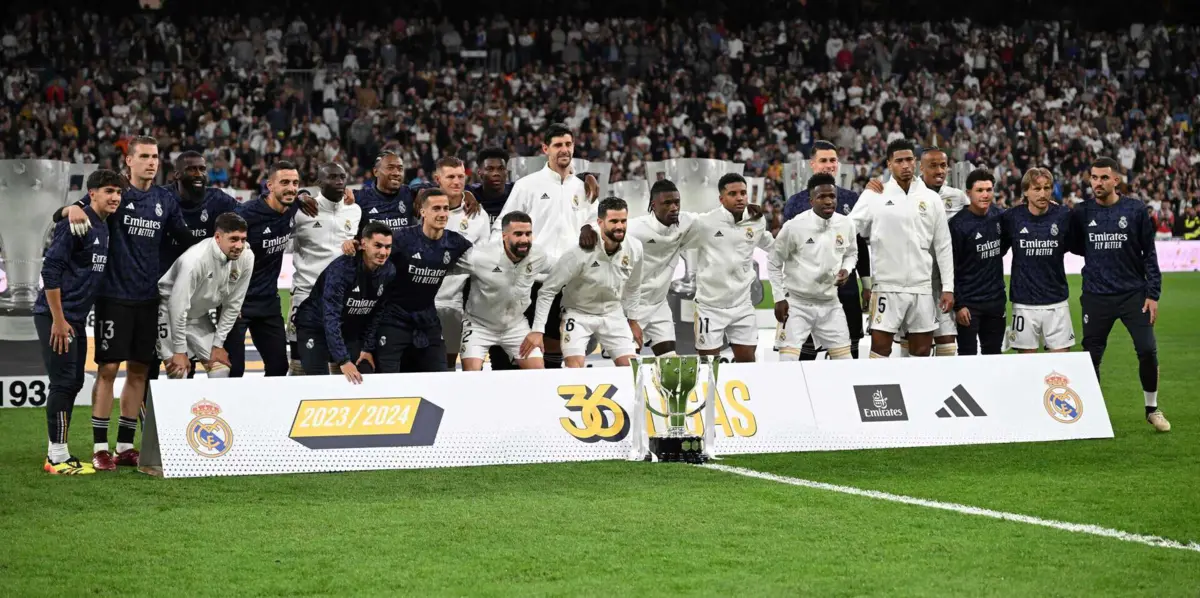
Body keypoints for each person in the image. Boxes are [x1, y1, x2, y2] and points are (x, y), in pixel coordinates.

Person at [55, 136, 195, 470]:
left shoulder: (165, 199)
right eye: (144, 156)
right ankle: (101, 447)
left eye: (156, 157)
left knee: (139, 372)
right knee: (107, 370)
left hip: (149, 299)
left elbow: (186, 237)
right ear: (128, 161)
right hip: (113, 297)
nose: (151, 162)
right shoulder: (116, 194)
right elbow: (67, 215)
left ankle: (125, 445)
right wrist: (69, 208)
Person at [34, 169, 122, 474]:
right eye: (108, 191)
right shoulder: (78, 223)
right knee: (62, 382)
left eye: (118, 193)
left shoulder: (102, 222)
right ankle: (56, 456)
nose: (115, 198)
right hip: (57, 316)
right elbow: (50, 271)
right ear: (92, 194)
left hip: (75, 318)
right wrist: (58, 319)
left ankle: (58, 450)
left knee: (74, 381)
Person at [1071, 157, 1168, 432]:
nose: (1098, 183)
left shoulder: (1135, 210)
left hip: (1133, 295)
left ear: (1116, 180)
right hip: (1096, 295)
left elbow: (1149, 253)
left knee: (1147, 349)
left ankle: (1152, 408)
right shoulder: (1082, 212)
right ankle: (1091, 414)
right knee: (1091, 355)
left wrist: (1153, 294)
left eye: (1104, 178)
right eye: (1094, 177)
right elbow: (1077, 245)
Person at [495, 123, 597, 369]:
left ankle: (548, 399)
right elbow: (502, 224)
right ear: (545, 149)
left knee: (555, 344)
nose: (564, 150)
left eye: (568, 144)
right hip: (532, 280)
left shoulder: (583, 188)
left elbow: (595, 220)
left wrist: (589, 228)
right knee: (523, 347)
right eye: (558, 145)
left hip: (568, 282)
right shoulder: (528, 185)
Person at [849, 139, 954, 359]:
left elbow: (943, 245)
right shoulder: (875, 194)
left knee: (922, 350)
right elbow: (850, 229)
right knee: (880, 349)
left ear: (915, 162)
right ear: (889, 165)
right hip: (887, 286)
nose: (905, 165)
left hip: (922, 287)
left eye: (909, 160)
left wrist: (948, 287)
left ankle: (916, 393)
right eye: (899, 161)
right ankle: (877, 392)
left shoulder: (931, 199)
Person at [523, 197, 644, 368]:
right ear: (600, 222)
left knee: (631, 369)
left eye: (623, 221)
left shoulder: (635, 248)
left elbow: (634, 286)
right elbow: (548, 290)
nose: (619, 227)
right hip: (578, 314)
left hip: (612, 313)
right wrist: (537, 329)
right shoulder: (578, 253)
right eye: (613, 221)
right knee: (575, 369)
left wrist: (633, 320)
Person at [781, 140, 871, 359]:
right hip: (807, 292)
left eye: (832, 160)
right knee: (806, 353)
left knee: (849, 348)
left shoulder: (851, 199)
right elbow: (786, 249)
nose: (828, 165)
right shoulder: (795, 202)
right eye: (823, 160)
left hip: (846, 287)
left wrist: (866, 284)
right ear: (813, 164)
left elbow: (857, 246)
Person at [374, 190, 473, 373]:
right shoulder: (402, 239)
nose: (442, 213)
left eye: (445, 208)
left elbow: (481, 263)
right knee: (388, 381)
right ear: (422, 211)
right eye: (436, 208)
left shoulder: (455, 242)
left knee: (440, 377)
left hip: (427, 320)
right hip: (393, 319)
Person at [680, 173, 773, 363]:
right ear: (721, 199)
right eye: (733, 194)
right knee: (708, 365)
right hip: (709, 306)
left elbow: (771, 245)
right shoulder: (705, 223)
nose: (740, 197)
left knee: (748, 360)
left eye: (743, 193)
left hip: (742, 305)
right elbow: (677, 233)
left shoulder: (756, 220)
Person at [768, 173, 858, 361]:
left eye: (832, 196)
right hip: (797, 304)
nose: (828, 201)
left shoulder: (846, 224)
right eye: (821, 197)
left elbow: (851, 253)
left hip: (830, 304)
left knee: (846, 362)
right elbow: (774, 262)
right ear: (811, 201)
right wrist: (779, 297)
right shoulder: (794, 227)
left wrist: (847, 270)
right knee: (787, 364)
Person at [226, 160, 303, 378]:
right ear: (270, 185)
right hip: (238, 302)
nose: (291, 188)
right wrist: (226, 297)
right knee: (234, 370)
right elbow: (221, 254)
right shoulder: (247, 215)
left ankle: (266, 411)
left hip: (269, 301)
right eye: (285, 182)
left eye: (295, 183)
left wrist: (304, 194)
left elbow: (304, 196)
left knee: (279, 367)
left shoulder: (292, 207)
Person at [156, 213, 255, 380]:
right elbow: (177, 307)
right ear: (218, 237)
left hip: (198, 317)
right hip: (168, 314)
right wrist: (180, 351)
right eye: (233, 239)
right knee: (178, 372)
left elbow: (234, 304)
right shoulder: (195, 261)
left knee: (221, 369)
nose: (239, 245)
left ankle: (210, 407)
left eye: (243, 239)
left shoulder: (247, 257)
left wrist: (218, 344)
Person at [295, 222, 395, 383]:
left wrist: (367, 348)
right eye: (377, 245)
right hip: (315, 326)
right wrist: (343, 360)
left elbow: (377, 313)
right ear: (363, 244)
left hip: (349, 331)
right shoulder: (342, 270)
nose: (383, 252)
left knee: (364, 375)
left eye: (388, 247)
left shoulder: (389, 271)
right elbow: (330, 316)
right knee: (318, 382)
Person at [288, 163, 361, 375]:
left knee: (341, 363)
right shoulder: (302, 211)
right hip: (305, 296)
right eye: (332, 177)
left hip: (341, 298)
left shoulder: (355, 210)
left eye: (342, 176)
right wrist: (299, 197)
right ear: (319, 183)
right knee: (299, 365)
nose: (339, 181)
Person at [457, 211, 549, 370]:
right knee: (470, 375)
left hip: (516, 325)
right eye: (518, 234)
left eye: (528, 234)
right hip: (478, 325)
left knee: (538, 371)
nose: (524, 240)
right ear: (504, 236)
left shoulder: (537, 255)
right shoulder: (479, 256)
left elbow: (562, 267)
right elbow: (444, 267)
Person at [1001, 168, 1077, 354]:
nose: (1042, 193)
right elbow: (999, 250)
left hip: (1056, 301)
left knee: (1061, 366)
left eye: (1047, 188)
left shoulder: (1063, 215)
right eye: (1036, 188)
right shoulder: (1011, 217)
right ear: (1025, 191)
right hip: (1024, 303)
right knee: (1027, 368)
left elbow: (1074, 244)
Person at [425, 157, 490, 369]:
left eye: (461, 176)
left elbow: (482, 263)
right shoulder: (420, 206)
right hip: (420, 302)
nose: (457, 181)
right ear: (437, 179)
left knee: (448, 365)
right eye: (450, 176)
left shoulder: (478, 215)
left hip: (453, 303)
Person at [624, 180, 696, 356]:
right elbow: (602, 229)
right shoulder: (635, 228)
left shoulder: (686, 223)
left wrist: (747, 213)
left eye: (676, 202)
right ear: (653, 205)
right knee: (627, 364)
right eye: (667, 203)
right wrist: (588, 228)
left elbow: (713, 220)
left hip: (658, 304)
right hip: (631, 305)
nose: (674, 207)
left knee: (670, 362)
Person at [948, 170, 1008, 355]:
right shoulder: (957, 224)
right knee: (968, 356)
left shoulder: (1000, 216)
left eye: (989, 190)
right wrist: (959, 305)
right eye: (979, 190)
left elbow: (1004, 245)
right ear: (968, 193)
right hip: (969, 305)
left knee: (994, 355)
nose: (985, 195)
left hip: (996, 302)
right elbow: (951, 268)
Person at [469, 147, 515, 222]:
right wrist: (465, 194)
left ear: (506, 172)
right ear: (479, 172)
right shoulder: (471, 193)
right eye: (490, 169)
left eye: (501, 168)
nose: (496, 173)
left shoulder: (516, 191)